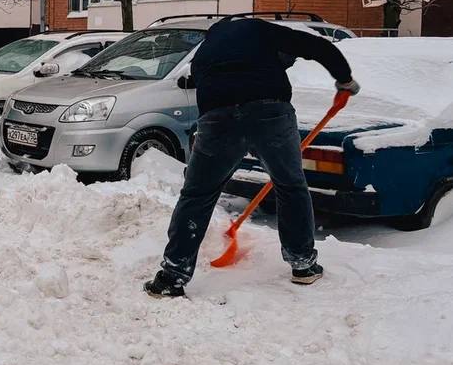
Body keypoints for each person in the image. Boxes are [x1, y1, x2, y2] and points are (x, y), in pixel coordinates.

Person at [144, 18, 360, 299]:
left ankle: (172, 277)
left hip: (217, 121)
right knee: (290, 187)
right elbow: (317, 46)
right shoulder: (260, 30)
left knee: (196, 195)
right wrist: (344, 79)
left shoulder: (205, 51)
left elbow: (198, 81)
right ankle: (303, 265)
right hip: (270, 113)